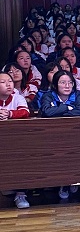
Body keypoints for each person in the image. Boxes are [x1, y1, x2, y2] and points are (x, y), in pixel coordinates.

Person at [39, 70, 80, 200]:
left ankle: (72, 179)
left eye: (70, 83)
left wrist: (58, 111)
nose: (67, 86)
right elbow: (47, 112)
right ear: (55, 84)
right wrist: (67, 108)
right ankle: (64, 183)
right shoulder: (48, 96)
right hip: (52, 135)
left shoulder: (78, 95)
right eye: (63, 82)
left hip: (76, 134)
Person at [0, 72, 32, 208]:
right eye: (3, 82)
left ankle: (20, 193)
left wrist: (9, 114)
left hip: (15, 140)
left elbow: (25, 112)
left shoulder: (17, 97)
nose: (8, 84)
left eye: (10, 81)